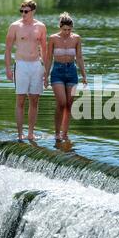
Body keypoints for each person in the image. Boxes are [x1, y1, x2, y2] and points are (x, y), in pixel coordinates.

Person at [5, 0, 47, 141]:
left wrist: (46, 69)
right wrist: (8, 69)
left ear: (33, 11)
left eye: (26, 11)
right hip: (21, 65)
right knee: (20, 100)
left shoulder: (40, 27)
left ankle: (30, 133)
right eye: (21, 11)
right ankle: (19, 133)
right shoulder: (14, 26)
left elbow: (45, 49)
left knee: (34, 100)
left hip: (36, 65)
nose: (23, 14)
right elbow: (8, 49)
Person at [44, 12, 87, 141]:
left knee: (69, 104)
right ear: (60, 27)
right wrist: (45, 76)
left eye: (69, 30)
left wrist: (84, 75)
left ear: (72, 28)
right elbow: (49, 58)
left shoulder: (77, 38)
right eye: (64, 29)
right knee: (61, 102)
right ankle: (57, 132)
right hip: (57, 72)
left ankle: (65, 133)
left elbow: (79, 57)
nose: (67, 32)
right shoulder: (53, 38)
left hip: (72, 72)